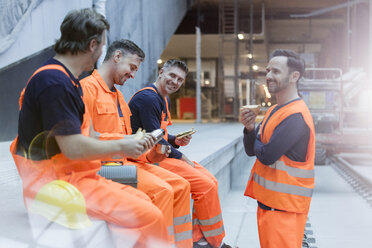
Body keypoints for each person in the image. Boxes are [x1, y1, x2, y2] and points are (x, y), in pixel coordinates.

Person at [10, 8, 170, 247]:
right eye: (102, 46)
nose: (100, 54)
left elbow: (88, 136)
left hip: (79, 177)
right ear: (93, 45)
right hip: (59, 186)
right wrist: (124, 145)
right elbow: (73, 148)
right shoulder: (55, 83)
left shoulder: (66, 81)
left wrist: (129, 145)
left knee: (145, 200)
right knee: (150, 216)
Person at [80, 39, 192, 248]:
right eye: (131, 68)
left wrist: (152, 155)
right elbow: (84, 141)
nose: (133, 74)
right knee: (162, 191)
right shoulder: (87, 90)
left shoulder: (119, 97)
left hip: (126, 163)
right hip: (102, 169)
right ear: (117, 57)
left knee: (181, 185)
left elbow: (131, 142)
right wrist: (127, 142)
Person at [129, 59, 231, 248]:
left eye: (180, 80)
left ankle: (201, 239)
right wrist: (181, 156)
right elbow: (155, 141)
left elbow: (160, 135)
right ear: (161, 73)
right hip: (147, 158)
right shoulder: (149, 98)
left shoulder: (162, 98)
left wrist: (175, 140)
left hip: (159, 154)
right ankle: (213, 242)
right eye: (172, 76)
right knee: (206, 185)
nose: (175, 82)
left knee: (212, 182)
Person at [241, 49, 315, 248]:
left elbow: (266, 155)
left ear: (294, 76)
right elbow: (252, 151)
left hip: (285, 210)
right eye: (267, 70)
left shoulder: (296, 116)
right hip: (270, 205)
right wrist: (249, 130)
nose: (268, 76)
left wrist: (256, 138)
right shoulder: (275, 110)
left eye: (275, 71)